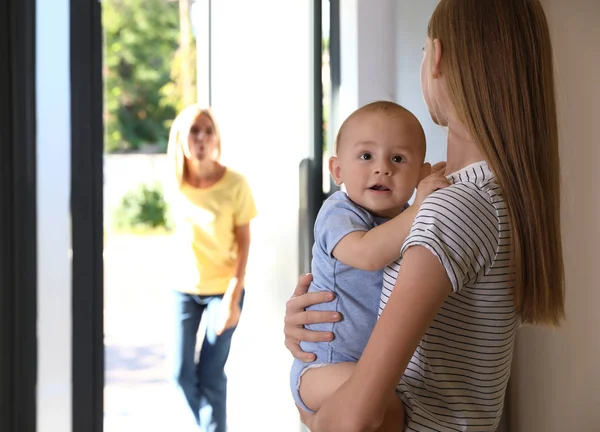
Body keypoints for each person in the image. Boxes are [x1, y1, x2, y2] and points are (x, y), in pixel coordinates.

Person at [284, 1, 564, 431]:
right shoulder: (489, 195)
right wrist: (320, 328)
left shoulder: (450, 207)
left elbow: (354, 419)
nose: (382, 168)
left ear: (436, 58)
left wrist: (313, 415)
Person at [289, 101, 449, 431]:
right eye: (366, 156)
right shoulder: (340, 212)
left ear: (419, 173)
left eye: (398, 159)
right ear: (337, 171)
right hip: (323, 366)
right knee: (379, 400)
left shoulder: (405, 216)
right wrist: (418, 207)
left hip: (360, 366)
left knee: (385, 404)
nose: (382, 169)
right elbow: (367, 254)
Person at [164, 105, 257, 431]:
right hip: (183, 289)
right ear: (181, 137)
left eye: (207, 130)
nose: (201, 138)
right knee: (179, 373)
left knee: (211, 374)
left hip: (223, 289)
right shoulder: (175, 181)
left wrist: (234, 293)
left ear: (216, 137)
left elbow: (244, 241)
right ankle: (208, 425)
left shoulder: (235, 183)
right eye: (194, 131)